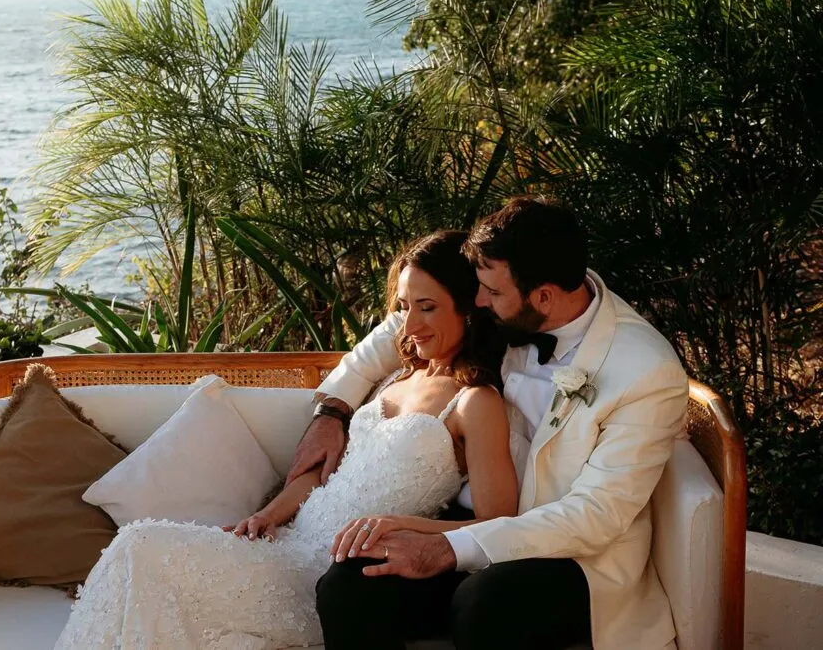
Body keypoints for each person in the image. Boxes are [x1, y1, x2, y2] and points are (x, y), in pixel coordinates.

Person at [53, 231, 519, 649]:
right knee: (137, 546)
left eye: (428, 307)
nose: (410, 324)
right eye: (403, 306)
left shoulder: (475, 402)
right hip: (290, 541)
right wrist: (268, 514)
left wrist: (404, 526)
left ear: (468, 306)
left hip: (331, 575)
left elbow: (500, 523)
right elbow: (328, 476)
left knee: (142, 546)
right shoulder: (394, 377)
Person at [306, 197, 689, 650]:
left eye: (491, 294)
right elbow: (401, 328)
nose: (478, 299)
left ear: (543, 296)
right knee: (350, 584)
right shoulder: (503, 290)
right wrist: (332, 410)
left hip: (570, 553)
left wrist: (452, 549)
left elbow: (596, 516)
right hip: (468, 518)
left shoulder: (646, 370)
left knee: (484, 604)